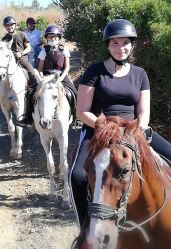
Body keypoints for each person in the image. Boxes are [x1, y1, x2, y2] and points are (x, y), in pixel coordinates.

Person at [69, 19, 171, 249]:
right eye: (115, 43)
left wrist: (135, 129)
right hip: (98, 130)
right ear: (108, 45)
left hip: (132, 131)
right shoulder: (95, 71)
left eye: (125, 43)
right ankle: (85, 232)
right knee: (77, 176)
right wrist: (105, 128)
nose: (120, 47)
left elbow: (143, 111)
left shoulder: (140, 74)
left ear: (131, 46)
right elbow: (82, 110)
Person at [38, 24, 82, 128]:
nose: (52, 38)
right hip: (47, 77)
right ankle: (29, 117)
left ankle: (78, 118)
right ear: (47, 38)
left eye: (54, 36)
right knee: (32, 94)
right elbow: (40, 68)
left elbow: (67, 67)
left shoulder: (64, 49)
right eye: (50, 36)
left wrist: (61, 79)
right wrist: (41, 77)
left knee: (75, 93)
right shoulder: (44, 51)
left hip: (61, 76)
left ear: (59, 37)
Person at [0, 16, 36, 103]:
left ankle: (34, 92)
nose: (10, 27)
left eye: (11, 25)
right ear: (5, 27)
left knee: (32, 72)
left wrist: (21, 53)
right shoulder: (5, 38)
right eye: (7, 25)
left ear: (15, 25)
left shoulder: (22, 34)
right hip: (8, 60)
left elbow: (29, 48)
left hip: (21, 59)